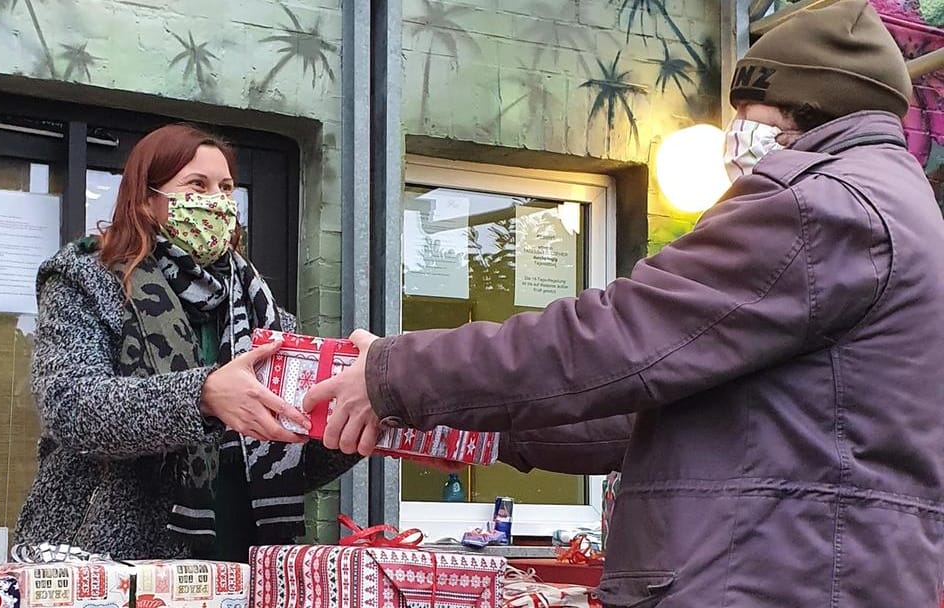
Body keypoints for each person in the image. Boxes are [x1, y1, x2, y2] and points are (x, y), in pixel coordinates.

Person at [304, 1, 944, 605]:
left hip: (768, 575)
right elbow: (663, 412)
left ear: (805, 109)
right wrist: (456, 426)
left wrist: (398, 374)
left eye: (749, 112)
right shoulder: (897, 209)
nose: (738, 136)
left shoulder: (816, 207)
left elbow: (613, 339)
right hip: (820, 567)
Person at [16, 123, 358, 561]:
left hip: (241, 559)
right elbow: (69, 406)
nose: (216, 201)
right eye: (197, 184)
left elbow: (286, 462)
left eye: (226, 188)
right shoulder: (87, 278)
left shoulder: (261, 309)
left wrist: (355, 428)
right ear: (147, 197)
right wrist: (202, 396)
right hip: (114, 562)